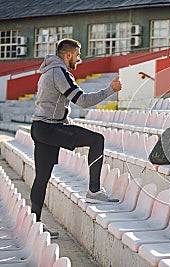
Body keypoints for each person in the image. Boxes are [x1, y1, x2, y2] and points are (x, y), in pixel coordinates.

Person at [30, 38, 122, 238]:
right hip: (50, 129)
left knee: (42, 178)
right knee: (97, 140)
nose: (79, 59)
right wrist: (110, 90)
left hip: (40, 127)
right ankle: (94, 190)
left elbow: (53, 105)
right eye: (78, 55)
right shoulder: (59, 72)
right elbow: (83, 101)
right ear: (68, 54)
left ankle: (34, 225)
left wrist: (66, 121)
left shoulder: (48, 71)